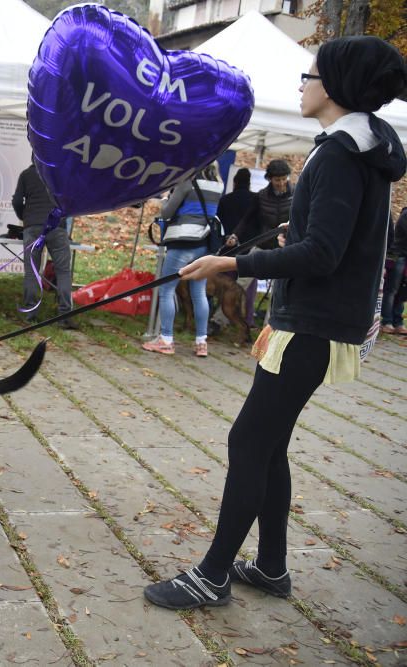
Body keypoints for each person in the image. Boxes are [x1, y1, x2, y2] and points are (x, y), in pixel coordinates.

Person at [144, 36, 406, 610]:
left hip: (311, 323)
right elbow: (331, 242)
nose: (302, 85)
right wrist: (295, 235)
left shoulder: (340, 153)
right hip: (318, 318)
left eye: (308, 76)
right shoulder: (362, 148)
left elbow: (323, 256)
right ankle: (270, 566)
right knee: (270, 444)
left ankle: (212, 575)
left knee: (250, 441)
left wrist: (232, 262)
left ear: (334, 86)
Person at [142, 164, 222, 357]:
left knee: (166, 289)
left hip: (182, 242)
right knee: (199, 293)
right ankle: (201, 342)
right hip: (204, 242)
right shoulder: (218, 184)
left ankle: (166, 340)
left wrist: (164, 200)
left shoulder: (186, 183)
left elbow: (167, 213)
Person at [12, 162, 77, 329]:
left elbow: (17, 201)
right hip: (57, 226)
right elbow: (71, 200)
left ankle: (30, 313)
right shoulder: (61, 174)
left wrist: (26, 217)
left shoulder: (27, 174)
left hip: (33, 227)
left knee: (31, 271)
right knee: (63, 272)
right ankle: (65, 316)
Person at [380, 206, 407, 334]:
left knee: (402, 291)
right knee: (391, 290)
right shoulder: (405, 215)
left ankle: (398, 322)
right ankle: (386, 321)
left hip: (404, 257)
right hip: (396, 255)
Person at [216, 168, 256, 237]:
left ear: (234, 183)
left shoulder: (225, 199)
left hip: (229, 240)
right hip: (249, 242)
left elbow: (219, 222)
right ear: (249, 183)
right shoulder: (256, 199)